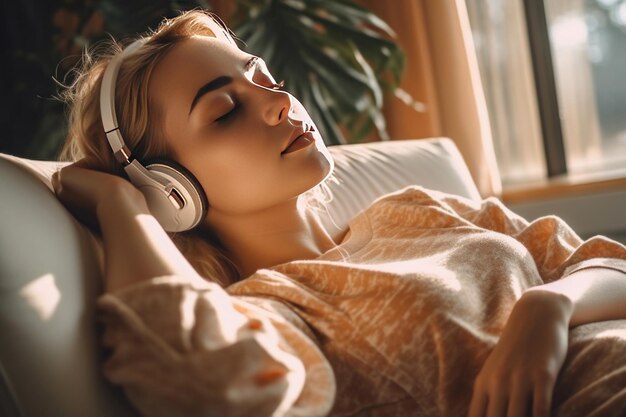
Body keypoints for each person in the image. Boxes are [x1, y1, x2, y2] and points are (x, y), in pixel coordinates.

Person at [52, 9, 626, 417]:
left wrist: (549, 305)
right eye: (225, 111)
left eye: (267, 79)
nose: (281, 102)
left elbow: (608, 264)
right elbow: (205, 386)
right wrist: (123, 208)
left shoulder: (416, 209)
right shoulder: (269, 313)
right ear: (168, 188)